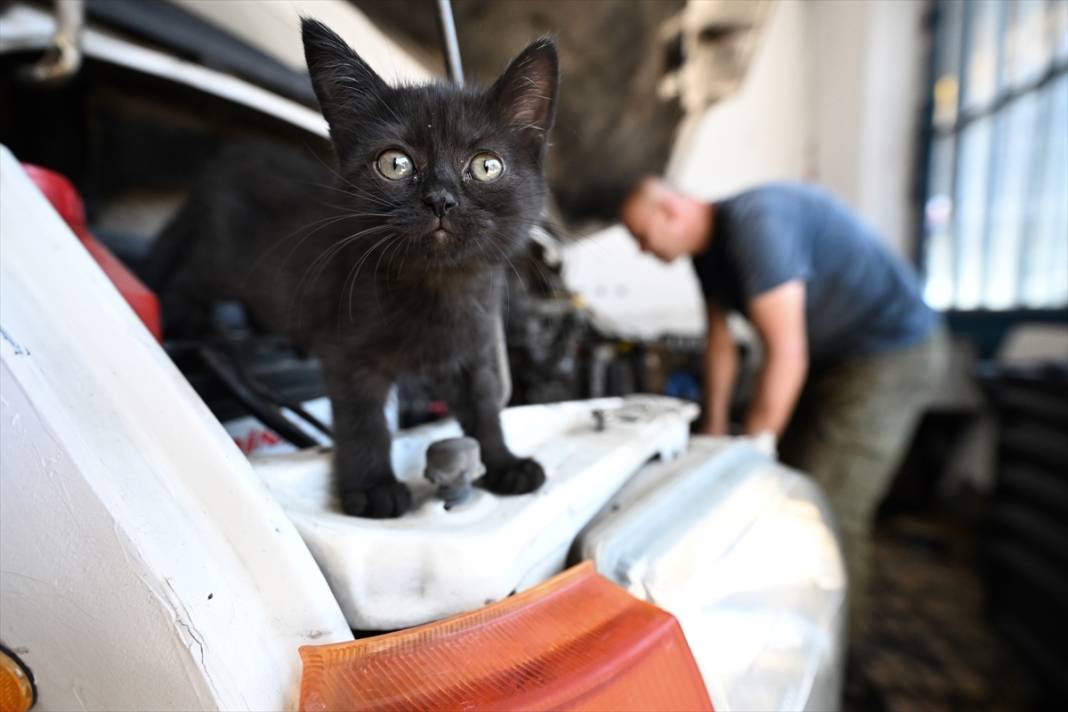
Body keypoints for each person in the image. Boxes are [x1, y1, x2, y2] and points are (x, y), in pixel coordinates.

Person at [621, 178, 948, 642]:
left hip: (889, 353)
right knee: (793, 482)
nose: (642, 249)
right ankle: (792, 624)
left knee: (825, 506)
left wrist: (755, 448)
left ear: (671, 211)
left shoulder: (757, 223)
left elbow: (787, 351)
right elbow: (721, 345)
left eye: (641, 235)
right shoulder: (707, 256)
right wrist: (714, 432)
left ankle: (838, 661)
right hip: (834, 357)